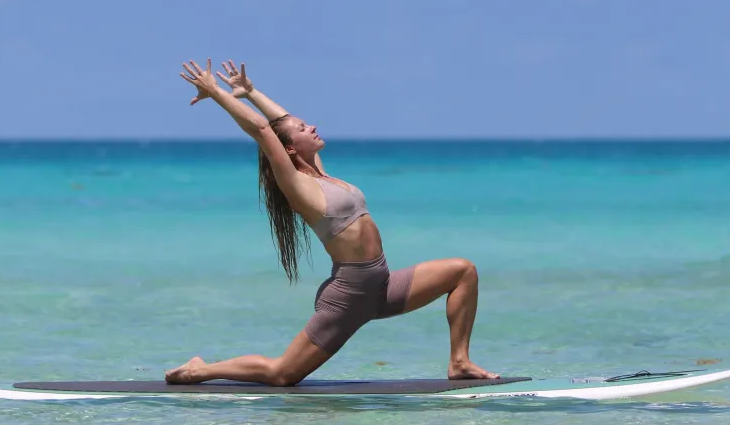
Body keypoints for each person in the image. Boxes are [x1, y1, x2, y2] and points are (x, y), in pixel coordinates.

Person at [165, 58, 497, 385]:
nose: (311, 127)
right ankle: (201, 369)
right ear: (291, 149)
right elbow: (264, 130)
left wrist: (251, 91)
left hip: (381, 286)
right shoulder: (298, 185)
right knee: (283, 374)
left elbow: (279, 121)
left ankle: (459, 361)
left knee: (463, 271)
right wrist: (216, 92)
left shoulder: (322, 173)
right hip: (349, 297)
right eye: (303, 129)